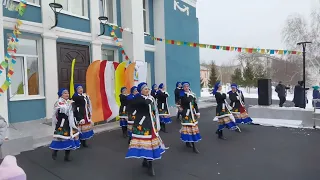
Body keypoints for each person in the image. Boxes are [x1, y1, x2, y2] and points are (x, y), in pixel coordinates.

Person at [125, 82, 166, 177]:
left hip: (151, 123)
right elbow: (130, 107)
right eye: (145, 89)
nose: (147, 90)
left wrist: (157, 122)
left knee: (150, 144)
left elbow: (154, 111)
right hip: (142, 125)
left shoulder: (151, 98)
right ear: (141, 91)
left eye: (148, 89)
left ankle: (147, 162)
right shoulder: (138, 98)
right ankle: (149, 165)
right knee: (145, 144)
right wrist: (134, 114)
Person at [50, 88, 80, 162]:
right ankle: (55, 152)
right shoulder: (58, 102)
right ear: (61, 95)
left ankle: (67, 156)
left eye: (67, 93)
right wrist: (64, 109)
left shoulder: (70, 102)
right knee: (60, 139)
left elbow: (74, 111)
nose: (67, 94)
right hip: (62, 124)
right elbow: (56, 113)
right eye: (65, 93)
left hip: (70, 123)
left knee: (70, 139)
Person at [179, 82, 201, 154]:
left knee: (192, 129)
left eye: (187, 86)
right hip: (186, 114)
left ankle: (191, 144)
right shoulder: (182, 95)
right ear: (183, 87)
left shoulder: (193, 94)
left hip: (192, 114)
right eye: (184, 86)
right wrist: (182, 112)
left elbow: (195, 104)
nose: (186, 87)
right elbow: (183, 103)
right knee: (188, 129)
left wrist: (197, 112)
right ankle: (191, 144)